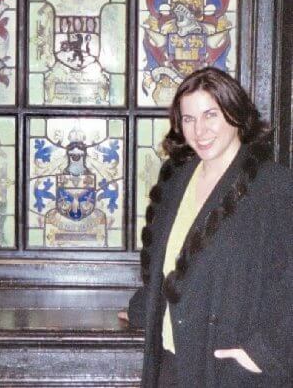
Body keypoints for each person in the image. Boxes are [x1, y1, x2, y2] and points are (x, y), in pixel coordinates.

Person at [121, 67, 292, 387]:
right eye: (188, 119)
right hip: (171, 362)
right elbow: (172, 261)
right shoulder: (177, 180)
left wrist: (267, 352)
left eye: (210, 114)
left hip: (227, 369)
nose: (199, 130)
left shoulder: (274, 186)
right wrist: (146, 305)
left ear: (236, 114)